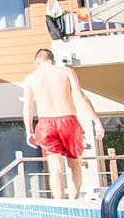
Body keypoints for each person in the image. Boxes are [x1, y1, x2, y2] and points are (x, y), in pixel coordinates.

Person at [23, 48, 100, 200]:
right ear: (53, 60)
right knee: (75, 165)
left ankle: (60, 203)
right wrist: (96, 121)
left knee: (55, 168)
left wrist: (29, 131)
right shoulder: (66, 72)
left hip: (45, 124)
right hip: (68, 121)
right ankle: (74, 201)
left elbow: (27, 109)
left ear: (38, 62)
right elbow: (81, 98)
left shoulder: (31, 78)